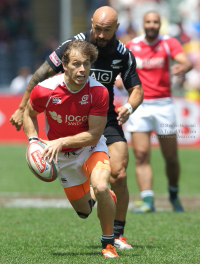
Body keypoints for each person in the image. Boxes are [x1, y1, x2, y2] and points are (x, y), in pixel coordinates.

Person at [10, 6, 143, 248]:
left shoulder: (123, 53)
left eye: (107, 30)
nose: (101, 35)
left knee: (119, 173)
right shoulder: (73, 46)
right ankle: (97, 194)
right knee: (84, 211)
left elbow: (137, 89)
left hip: (105, 117)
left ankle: (117, 234)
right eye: (97, 29)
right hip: (73, 120)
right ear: (91, 23)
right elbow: (40, 75)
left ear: (117, 28)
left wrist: (130, 107)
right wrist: (21, 108)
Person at [23, 39, 119, 258]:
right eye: (76, 63)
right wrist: (33, 141)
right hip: (62, 157)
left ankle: (108, 244)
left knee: (102, 186)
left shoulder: (98, 92)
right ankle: (99, 193)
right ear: (65, 65)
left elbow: (94, 135)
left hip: (91, 148)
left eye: (86, 63)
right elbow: (29, 114)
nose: (82, 69)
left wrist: (61, 142)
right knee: (84, 212)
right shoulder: (44, 90)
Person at [125, 11, 193, 212]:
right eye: (148, 21)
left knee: (171, 157)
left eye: (155, 22)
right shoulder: (132, 45)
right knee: (141, 155)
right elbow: (121, 70)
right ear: (143, 24)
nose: (152, 25)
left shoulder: (168, 43)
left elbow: (186, 61)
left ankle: (173, 194)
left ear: (160, 24)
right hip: (139, 105)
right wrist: (120, 79)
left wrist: (183, 67)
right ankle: (148, 201)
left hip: (164, 105)